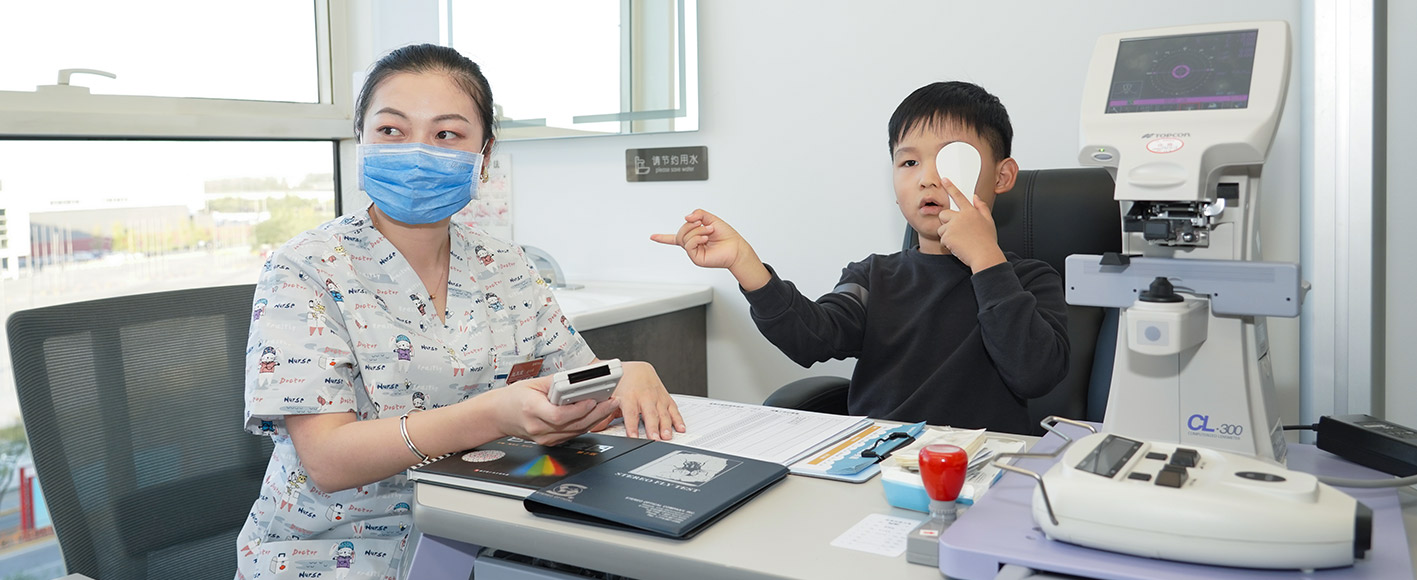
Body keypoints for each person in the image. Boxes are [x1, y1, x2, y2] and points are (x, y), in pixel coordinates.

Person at [236, 43, 685, 579]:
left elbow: (569, 387)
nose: (417, 153)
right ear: (360, 140)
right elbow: (328, 460)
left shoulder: (506, 264)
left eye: (446, 134)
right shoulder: (305, 267)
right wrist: (492, 415)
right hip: (336, 552)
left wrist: (625, 375)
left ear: (484, 156)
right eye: (391, 130)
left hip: (491, 536)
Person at [652, 81, 1068, 434]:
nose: (926, 178)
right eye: (909, 161)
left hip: (982, 467)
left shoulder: (1030, 280)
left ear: (1002, 176)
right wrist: (744, 261)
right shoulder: (873, 276)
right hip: (880, 462)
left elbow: (1034, 373)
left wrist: (986, 259)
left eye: (949, 160)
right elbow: (811, 337)